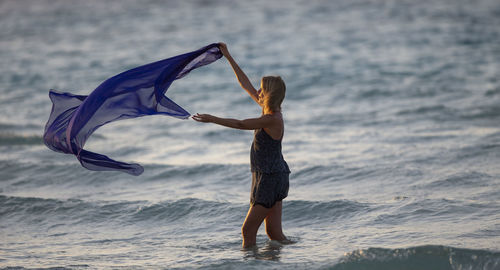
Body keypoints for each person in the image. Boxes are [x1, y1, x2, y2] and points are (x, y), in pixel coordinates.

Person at [192, 43, 291, 248]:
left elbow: (241, 124)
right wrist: (227, 56)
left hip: (270, 178)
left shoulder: (272, 119)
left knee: (247, 231)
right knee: (274, 233)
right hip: (271, 174)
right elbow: (245, 84)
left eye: (261, 90)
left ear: (268, 95)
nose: (257, 91)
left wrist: (212, 119)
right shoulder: (268, 111)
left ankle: (249, 265)